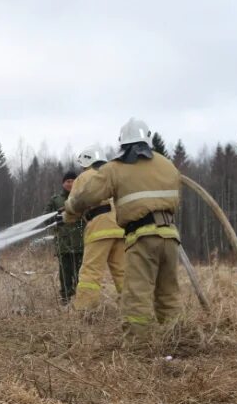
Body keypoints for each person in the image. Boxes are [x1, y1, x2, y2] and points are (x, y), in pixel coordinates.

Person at [64, 118, 182, 341]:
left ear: (122, 142)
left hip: (142, 237)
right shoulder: (167, 165)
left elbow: (88, 197)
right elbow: (175, 199)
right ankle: (175, 338)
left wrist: (69, 208)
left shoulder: (115, 168)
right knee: (168, 293)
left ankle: (140, 344)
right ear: (148, 138)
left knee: (137, 293)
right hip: (170, 236)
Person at [69, 145, 126, 309]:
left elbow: (75, 203)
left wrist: (66, 216)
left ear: (87, 161)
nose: (82, 168)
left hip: (100, 228)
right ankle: (132, 308)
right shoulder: (113, 176)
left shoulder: (85, 176)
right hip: (121, 228)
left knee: (91, 271)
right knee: (124, 272)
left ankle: (84, 309)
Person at [46, 171, 85, 304]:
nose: (70, 183)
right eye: (67, 181)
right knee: (65, 272)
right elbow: (46, 219)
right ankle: (66, 298)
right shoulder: (55, 199)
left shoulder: (82, 197)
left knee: (80, 271)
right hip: (63, 243)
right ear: (63, 183)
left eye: (73, 180)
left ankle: (80, 298)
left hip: (80, 242)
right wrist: (57, 217)